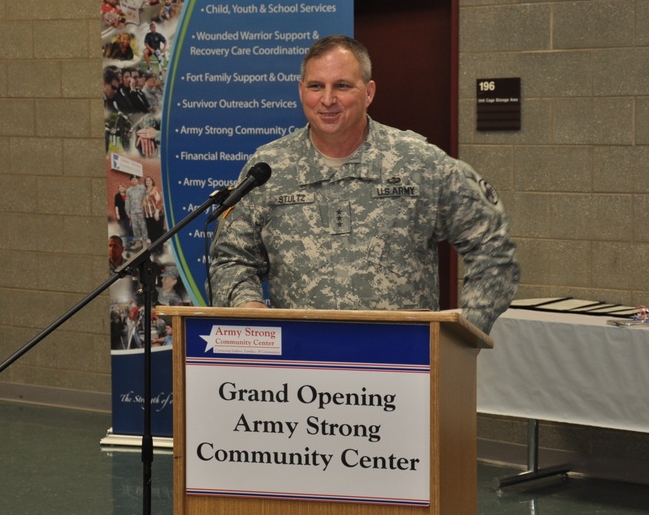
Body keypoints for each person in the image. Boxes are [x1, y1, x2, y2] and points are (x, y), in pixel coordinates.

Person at [209, 35, 519, 334]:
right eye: (316, 86)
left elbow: (492, 243)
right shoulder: (269, 167)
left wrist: (469, 330)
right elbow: (232, 258)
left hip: (401, 364)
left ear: (368, 92)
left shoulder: (419, 162)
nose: (327, 100)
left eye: (342, 86)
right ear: (301, 90)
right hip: (300, 363)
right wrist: (248, 309)